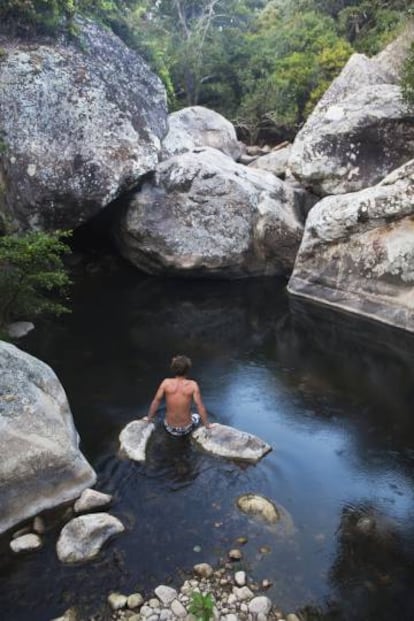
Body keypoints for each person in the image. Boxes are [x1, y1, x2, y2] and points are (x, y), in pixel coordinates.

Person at [142, 355, 212, 436]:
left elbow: (156, 401)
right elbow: (199, 406)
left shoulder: (166, 383)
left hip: (169, 428)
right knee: (196, 415)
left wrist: (149, 418)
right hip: (186, 429)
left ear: (173, 369)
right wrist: (207, 425)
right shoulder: (193, 385)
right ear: (187, 370)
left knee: (165, 415)